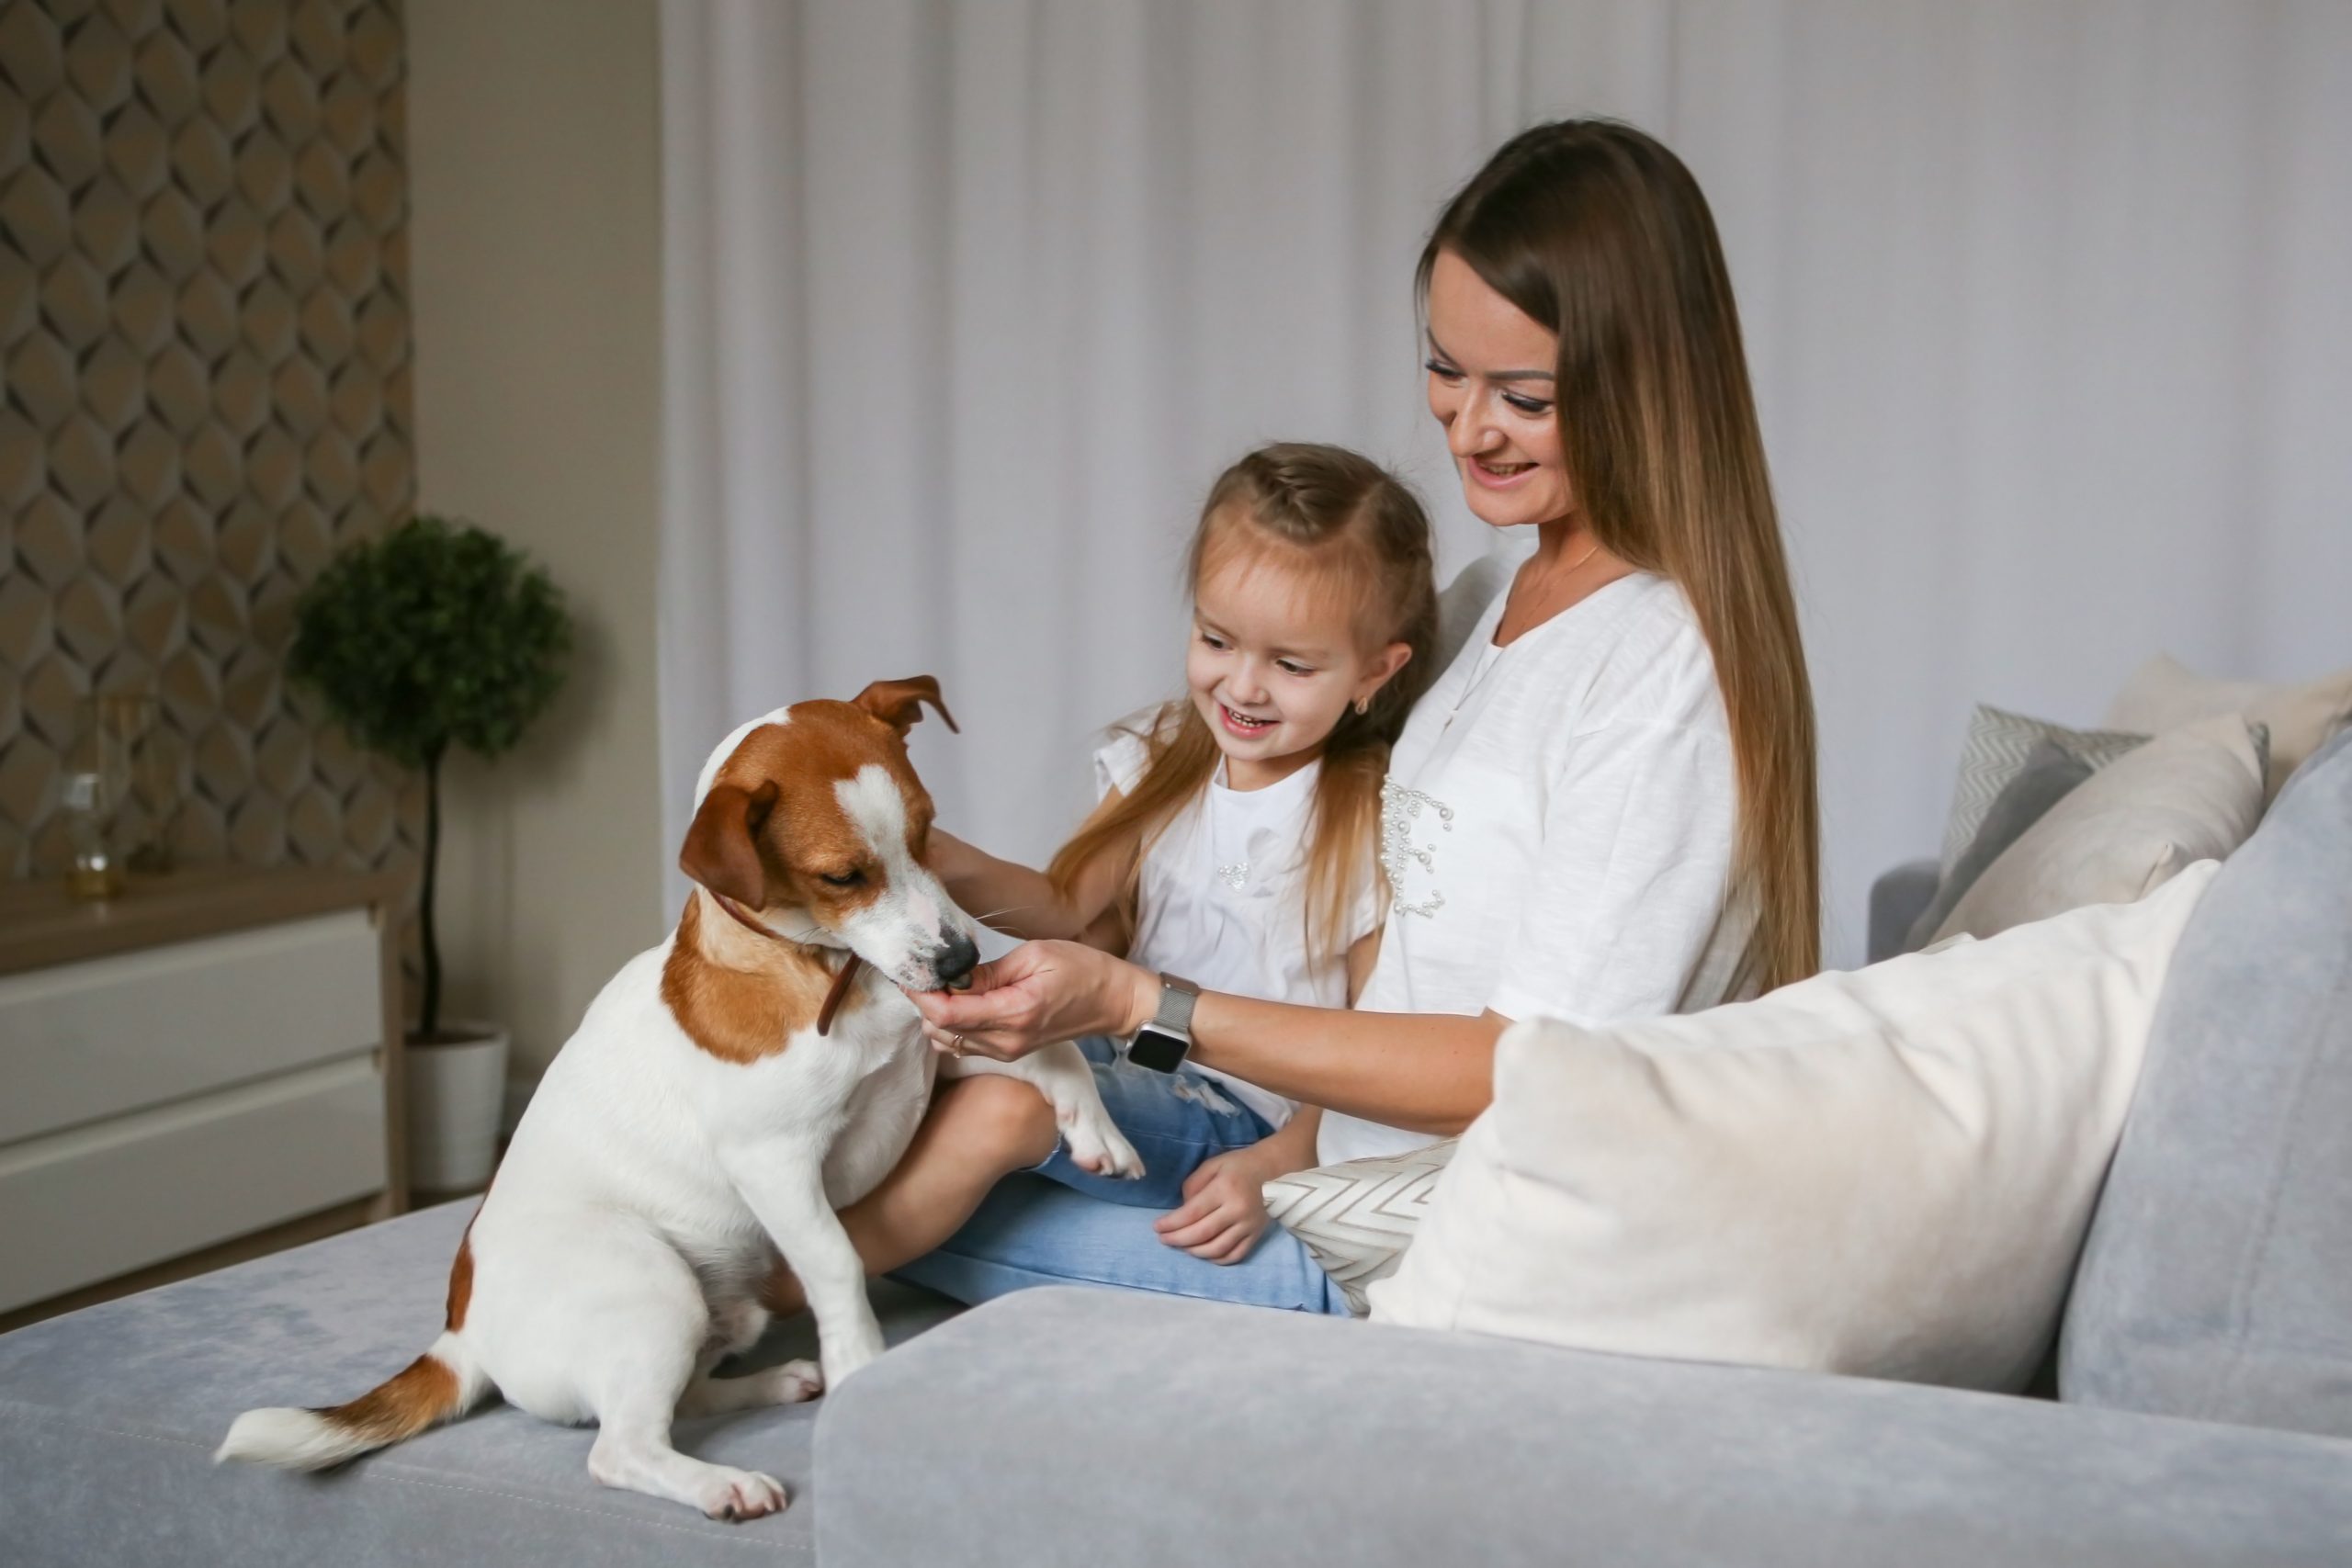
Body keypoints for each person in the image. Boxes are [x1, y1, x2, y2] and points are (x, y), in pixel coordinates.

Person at [787, 117, 1823, 1318]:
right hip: (1317, 1166)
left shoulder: (1662, 670)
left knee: (896, 1210)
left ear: (1651, 383)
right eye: (1445, 368)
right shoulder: (1493, 593)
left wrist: (1143, 1005)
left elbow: (1529, 1073)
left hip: (1429, 1248)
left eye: (1524, 394)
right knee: (875, 1097)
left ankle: (632, 1266)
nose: (1469, 426)